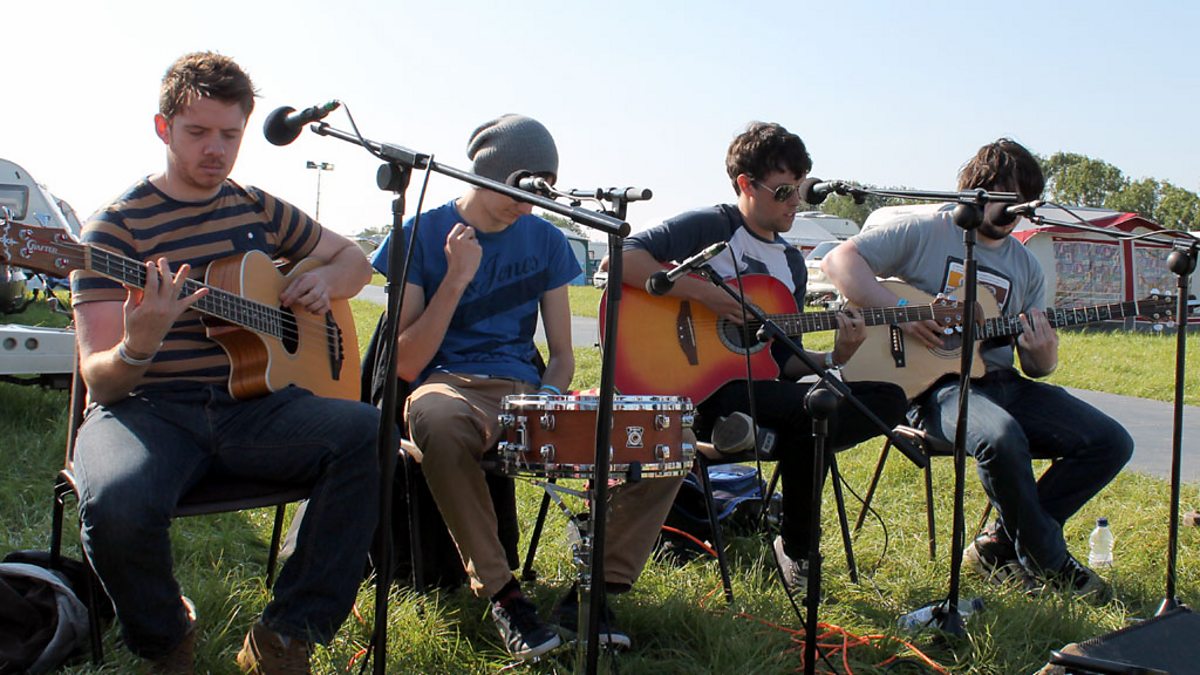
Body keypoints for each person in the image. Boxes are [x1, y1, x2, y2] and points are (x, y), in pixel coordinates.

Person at [69, 52, 382, 673]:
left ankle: (287, 633)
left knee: (369, 433)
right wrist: (139, 343)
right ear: (163, 128)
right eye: (198, 132)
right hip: (147, 410)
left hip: (255, 409)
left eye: (230, 135)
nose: (216, 150)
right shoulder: (113, 230)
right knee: (116, 504)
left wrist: (325, 283)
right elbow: (99, 379)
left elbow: (355, 260)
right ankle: (167, 638)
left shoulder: (257, 207)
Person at [370, 113, 684, 659]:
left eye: (541, 190)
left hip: (525, 392)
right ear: (486, 173)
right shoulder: (420, 233)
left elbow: (562, 357)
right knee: (436, 420)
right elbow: (405, 361)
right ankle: (504, 595)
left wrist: (548, 399)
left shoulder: (546, 240)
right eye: (521, 188)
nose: (529, 205)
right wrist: (457, 277)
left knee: (669, 436)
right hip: (448, 387)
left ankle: (593, 592)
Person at [821, 138, 1133, 597]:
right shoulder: (925, 230)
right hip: (934, 389)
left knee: (1111, 442)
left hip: (1003, 382)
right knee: (1000, 437)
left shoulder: (1026, 266)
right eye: (1006, 196)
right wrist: (904, 312)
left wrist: (1043, 352)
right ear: (975, 191)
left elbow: (1035, 367)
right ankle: (1050, 563)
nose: (1014, 210)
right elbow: (838, 261)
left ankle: (999, 546)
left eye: (1024, 201)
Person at [620, 121, 908, 597]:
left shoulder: (791, 264)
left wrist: (836, 354)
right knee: (810, 420)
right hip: (698, 390)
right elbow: (621, 258)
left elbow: (780, 360)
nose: (795, 203)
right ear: (746, 185)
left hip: (760, 393)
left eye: (800, 190)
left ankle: (762, 440)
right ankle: (798, 550)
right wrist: (706, 295)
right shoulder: (711, 227)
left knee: (888, 399)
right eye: (783, 191)